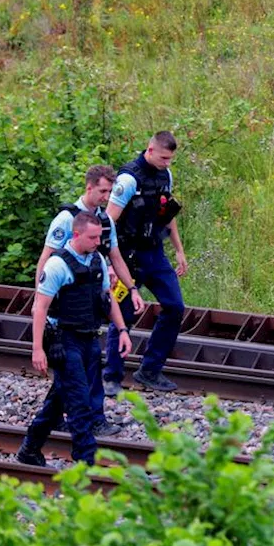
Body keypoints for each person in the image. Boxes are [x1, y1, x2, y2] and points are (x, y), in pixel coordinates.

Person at [17, 211, 133, 467]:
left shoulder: (97, 260)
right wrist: (37, 349)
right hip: (64, 341)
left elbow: (107, 298)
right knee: (80, 403)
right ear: (76, 234)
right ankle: (86, 461)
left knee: (61, 397)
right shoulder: (58, 265)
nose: (97, 242)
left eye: (100, 237)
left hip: (89, 338)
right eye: (92, 237)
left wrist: (122, 330)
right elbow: (40, 308)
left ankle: (30, 448)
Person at [37, 165, 146, 437]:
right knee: (79, 372)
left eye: (110, 191)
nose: (107, 197)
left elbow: (115, 257)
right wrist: (44, 304)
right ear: (89, 188)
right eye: (102, 191)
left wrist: (132, 288)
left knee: (72, 374)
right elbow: (46, 260)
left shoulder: (104, 223)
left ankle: (53, 419)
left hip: (87, 311)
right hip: (62, 314)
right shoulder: (67, 220)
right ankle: (89, 420)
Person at [104, 131, 187, 394]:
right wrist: (109, 263)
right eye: (164, 158)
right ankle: (111, 377)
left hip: (155, 252)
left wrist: (179, 250)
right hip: (127, 257)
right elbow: (108, 221)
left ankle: (150, 370)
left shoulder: (166, 175)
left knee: (175, 307)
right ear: (149, 151)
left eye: (171, 159)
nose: (167, 163)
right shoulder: (128, 179)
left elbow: (167, 212)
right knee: (123, 315)